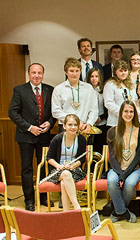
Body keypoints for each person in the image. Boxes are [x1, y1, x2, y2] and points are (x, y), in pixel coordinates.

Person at [8, 63, 56, 211]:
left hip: (44, 136)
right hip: (26, 137)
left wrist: (49, 123)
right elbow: (13, 113)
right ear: (29, 74)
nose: (36, 76)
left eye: (39, 73)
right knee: (27, 169)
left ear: (43, 74)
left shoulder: (50, 90)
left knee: (44, 168)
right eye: (34, 73)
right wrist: (29, 128)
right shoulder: (19, 90)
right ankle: (29, 199)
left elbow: (54, 112)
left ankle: (42, 196)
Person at [106, 101, 140, 223]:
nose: (129, 114)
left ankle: (116, 211)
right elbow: (112, 157)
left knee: (129, 185)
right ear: (121, 113)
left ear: (135, 113)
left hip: (134, 168)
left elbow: (139, 156)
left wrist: (125, 175)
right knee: (112, 182)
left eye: (131, 111)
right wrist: (119, 173)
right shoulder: (112, 131)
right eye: (126, 111)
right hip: (116, 168)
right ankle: (123, 211)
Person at [46, 114, 87, 211]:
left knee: (65, 180)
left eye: (75, 125)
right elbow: (49, 158)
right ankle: (76, 206)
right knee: (65, 174)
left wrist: (73, 166)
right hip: (58, 170)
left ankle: (66, 212)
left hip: (74, 170)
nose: (73, 127)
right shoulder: (57, 139)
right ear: (64, 126)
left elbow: (82, 159)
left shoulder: (81, 139)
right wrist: (58, 166)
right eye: (70, 125)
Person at [52, 57, 99, 131]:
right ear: (66, 72)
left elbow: (94, 108)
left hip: (84, 127)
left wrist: (90, 123)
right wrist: (74, 122)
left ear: (80, 72)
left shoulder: (88, 88)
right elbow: (56, 111)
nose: (74, 74)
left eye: (77, 71)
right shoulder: (59, 89)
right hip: (66, 127)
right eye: (71, 71)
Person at [103, 60, 138, 127]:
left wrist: (130, 113)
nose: (123, 73)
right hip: (115, 122)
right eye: (121, 71)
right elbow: (108, 103)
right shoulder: (110, 84)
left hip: (130, 120)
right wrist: (123, 112)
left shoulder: (131, 84)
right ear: (115, 72)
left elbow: (135, 99)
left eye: (125, 70)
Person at [86, 68, 108, 153]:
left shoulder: (103, 90)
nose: (94, 79)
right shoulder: (86, 90)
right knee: (89, 147)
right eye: (92, 76)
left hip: (101, 121)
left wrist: (100, 117)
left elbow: (106, 108)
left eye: (96, 76)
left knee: (100, 147)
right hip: (89, 122)